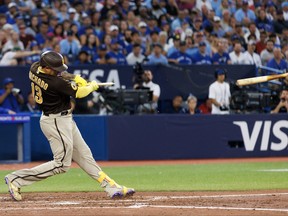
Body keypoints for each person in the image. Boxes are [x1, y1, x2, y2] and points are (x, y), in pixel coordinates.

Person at [4, 51, 135, 201]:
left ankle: (111, 187)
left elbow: (63, 76)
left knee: (85, 155)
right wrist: (91, 86)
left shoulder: (34, 68)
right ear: (46, 68)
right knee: (61, 164)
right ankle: (16, 179)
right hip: (55, 121)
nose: (59, 71)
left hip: (62, 119)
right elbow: (79, 93)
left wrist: (75, 78)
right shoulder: (55, 83)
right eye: (55, 68)